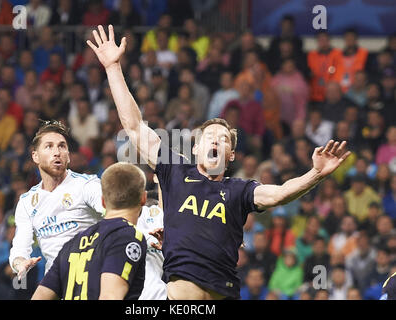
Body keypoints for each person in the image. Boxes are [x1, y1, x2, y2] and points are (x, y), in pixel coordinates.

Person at [87, 25, 351, 300]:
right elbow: (134, 127)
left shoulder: (239, 190)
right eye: (210, 137)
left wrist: (316, 174)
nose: (216, 141)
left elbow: (281, 193)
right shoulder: (175, 170)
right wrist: (113, 67)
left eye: (223, 139)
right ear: (196, 147)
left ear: (231, 155)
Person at [31, 162, 147, 300]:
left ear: (103, 201)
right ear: (143, 198)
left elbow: (40, 296)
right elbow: (110, 296)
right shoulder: (128, 236)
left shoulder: (72, 244)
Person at [9, 120, 104, 280]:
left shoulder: (87, 185)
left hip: (92, 278)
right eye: (49, 146)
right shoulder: (27, 202)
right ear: (35, 156)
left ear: (68, 156)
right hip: (55, 282)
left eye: (62, 146)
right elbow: (19, 250)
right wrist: (21, 263)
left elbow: (115, 212)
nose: (57, 152)